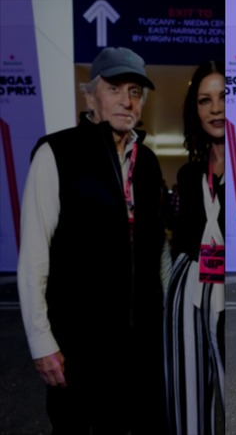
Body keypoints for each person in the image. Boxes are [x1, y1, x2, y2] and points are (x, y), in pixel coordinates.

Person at [17, 47, 166, 432]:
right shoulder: (56, 153)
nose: (127, 101)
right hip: (77, 349)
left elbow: (155, 256)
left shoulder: (148, 163)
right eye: (114, 89)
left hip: (138, 350)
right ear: (89, 97)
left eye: (135, 92)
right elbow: (33, 259)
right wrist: (42, 342)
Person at [164, 61, 226, 434]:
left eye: (224, 97)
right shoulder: (189, 174)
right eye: (205, 100)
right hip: (187, 288)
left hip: (232, 289)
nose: (215, 109)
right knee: (188, 399)